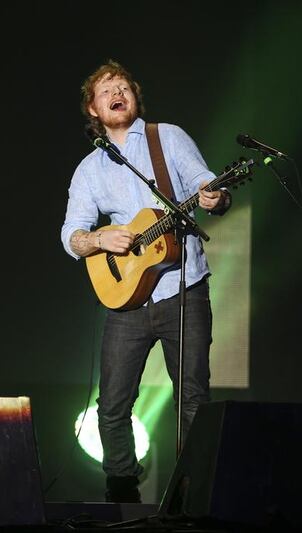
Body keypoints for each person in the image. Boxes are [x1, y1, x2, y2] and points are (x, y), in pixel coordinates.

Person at [60, 60, 232, 503]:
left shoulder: (166, 138)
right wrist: (100, 237)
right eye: (106, 90)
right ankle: (123, 497)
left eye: (123, 86)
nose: (117, 92)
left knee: (192, 401)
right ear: (94, 109)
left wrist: (215, 195)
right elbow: (71, 236)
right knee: (111, 409)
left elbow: (203, 183)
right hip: (126, 301)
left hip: (184, 289)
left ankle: (191, 496)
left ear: (134, 97)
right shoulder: (89, 170)